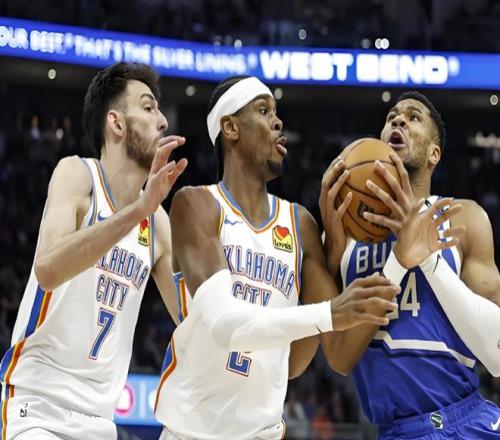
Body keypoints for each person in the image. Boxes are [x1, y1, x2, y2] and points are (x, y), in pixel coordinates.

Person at [153, 74, 407, 440]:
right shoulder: (196, 204)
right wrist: (330, 311)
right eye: (263, 111)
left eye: (276, 112)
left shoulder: (300, 223)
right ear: (230, 127)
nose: (278, 122)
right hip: (191, 433)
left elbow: (294, 363)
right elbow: (226, 327)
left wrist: (331, 256)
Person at [0, 62, 187, 440]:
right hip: (36, 408)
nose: (163, 120)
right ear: (116, 123)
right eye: (148, 107)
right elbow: (48, 269)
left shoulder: (158, 223)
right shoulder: (77, 175)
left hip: (100, 422)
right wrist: (138, 211)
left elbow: (194, 321)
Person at [321, 91, 500, 439]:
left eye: (413, 117)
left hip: (467, 421)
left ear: (434, 153)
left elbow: (496, 355)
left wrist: (429, 260)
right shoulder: (343, 234)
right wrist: (396, 261)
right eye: (391, 117)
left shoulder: (463, 217)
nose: (398, 120)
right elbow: (339, 359)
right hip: (397, 431)